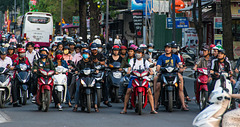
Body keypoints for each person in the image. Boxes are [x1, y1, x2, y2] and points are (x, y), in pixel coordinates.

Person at [120, 48, 157, 114]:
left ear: (142, 54)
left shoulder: (145, 61)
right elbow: (129, 67)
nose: (138, 54)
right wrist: (129, 71)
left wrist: (151, 71)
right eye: (137, 52)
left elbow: (150, 68)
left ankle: (152, 109)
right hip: (134, 77)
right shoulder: (132, 60)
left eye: (139, 53)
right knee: (128, 91)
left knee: (149, 91)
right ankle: (125, 109)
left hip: (144, 77)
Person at [154, 43, 188, 111]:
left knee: (180, 84)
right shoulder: (161, 57)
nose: (167, 49)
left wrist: (181, 67)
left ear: (171, 49)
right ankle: (155, 104)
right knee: (157, 85)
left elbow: (179, 63)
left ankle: (183, 105)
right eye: (166, 48)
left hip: (174, 73)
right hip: (164, 73)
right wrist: (158, 68)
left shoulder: (175, 57)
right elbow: (158, 66)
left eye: (169, 48)